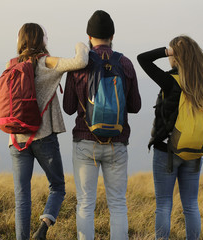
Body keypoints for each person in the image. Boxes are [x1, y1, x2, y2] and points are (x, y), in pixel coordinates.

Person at [63, 10, 141, 240]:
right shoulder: (125, 63)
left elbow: (68, 107)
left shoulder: (80, 63)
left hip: (85, 141)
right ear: (112, 35)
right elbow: (135, 105)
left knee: (85, 203)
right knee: (117, 204)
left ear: (89, 36)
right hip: (117, 142)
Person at [7, 23, 89, 240]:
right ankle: (43, 227)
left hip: (16, 139)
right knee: (58, 187)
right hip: (44, 137)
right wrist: (81, 43)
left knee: (22, 197)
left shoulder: (12, 64)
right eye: (45, 36)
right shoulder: (47, 63)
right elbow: (81, 61)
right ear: (40, 40)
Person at [137, 35, 203, 240]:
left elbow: (142, 59)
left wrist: (167, 51)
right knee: (191, 205)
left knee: (163, 204)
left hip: (167, 151)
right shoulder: (202, 84)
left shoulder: (170, 81)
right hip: (194, 152)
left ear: (176, 56)